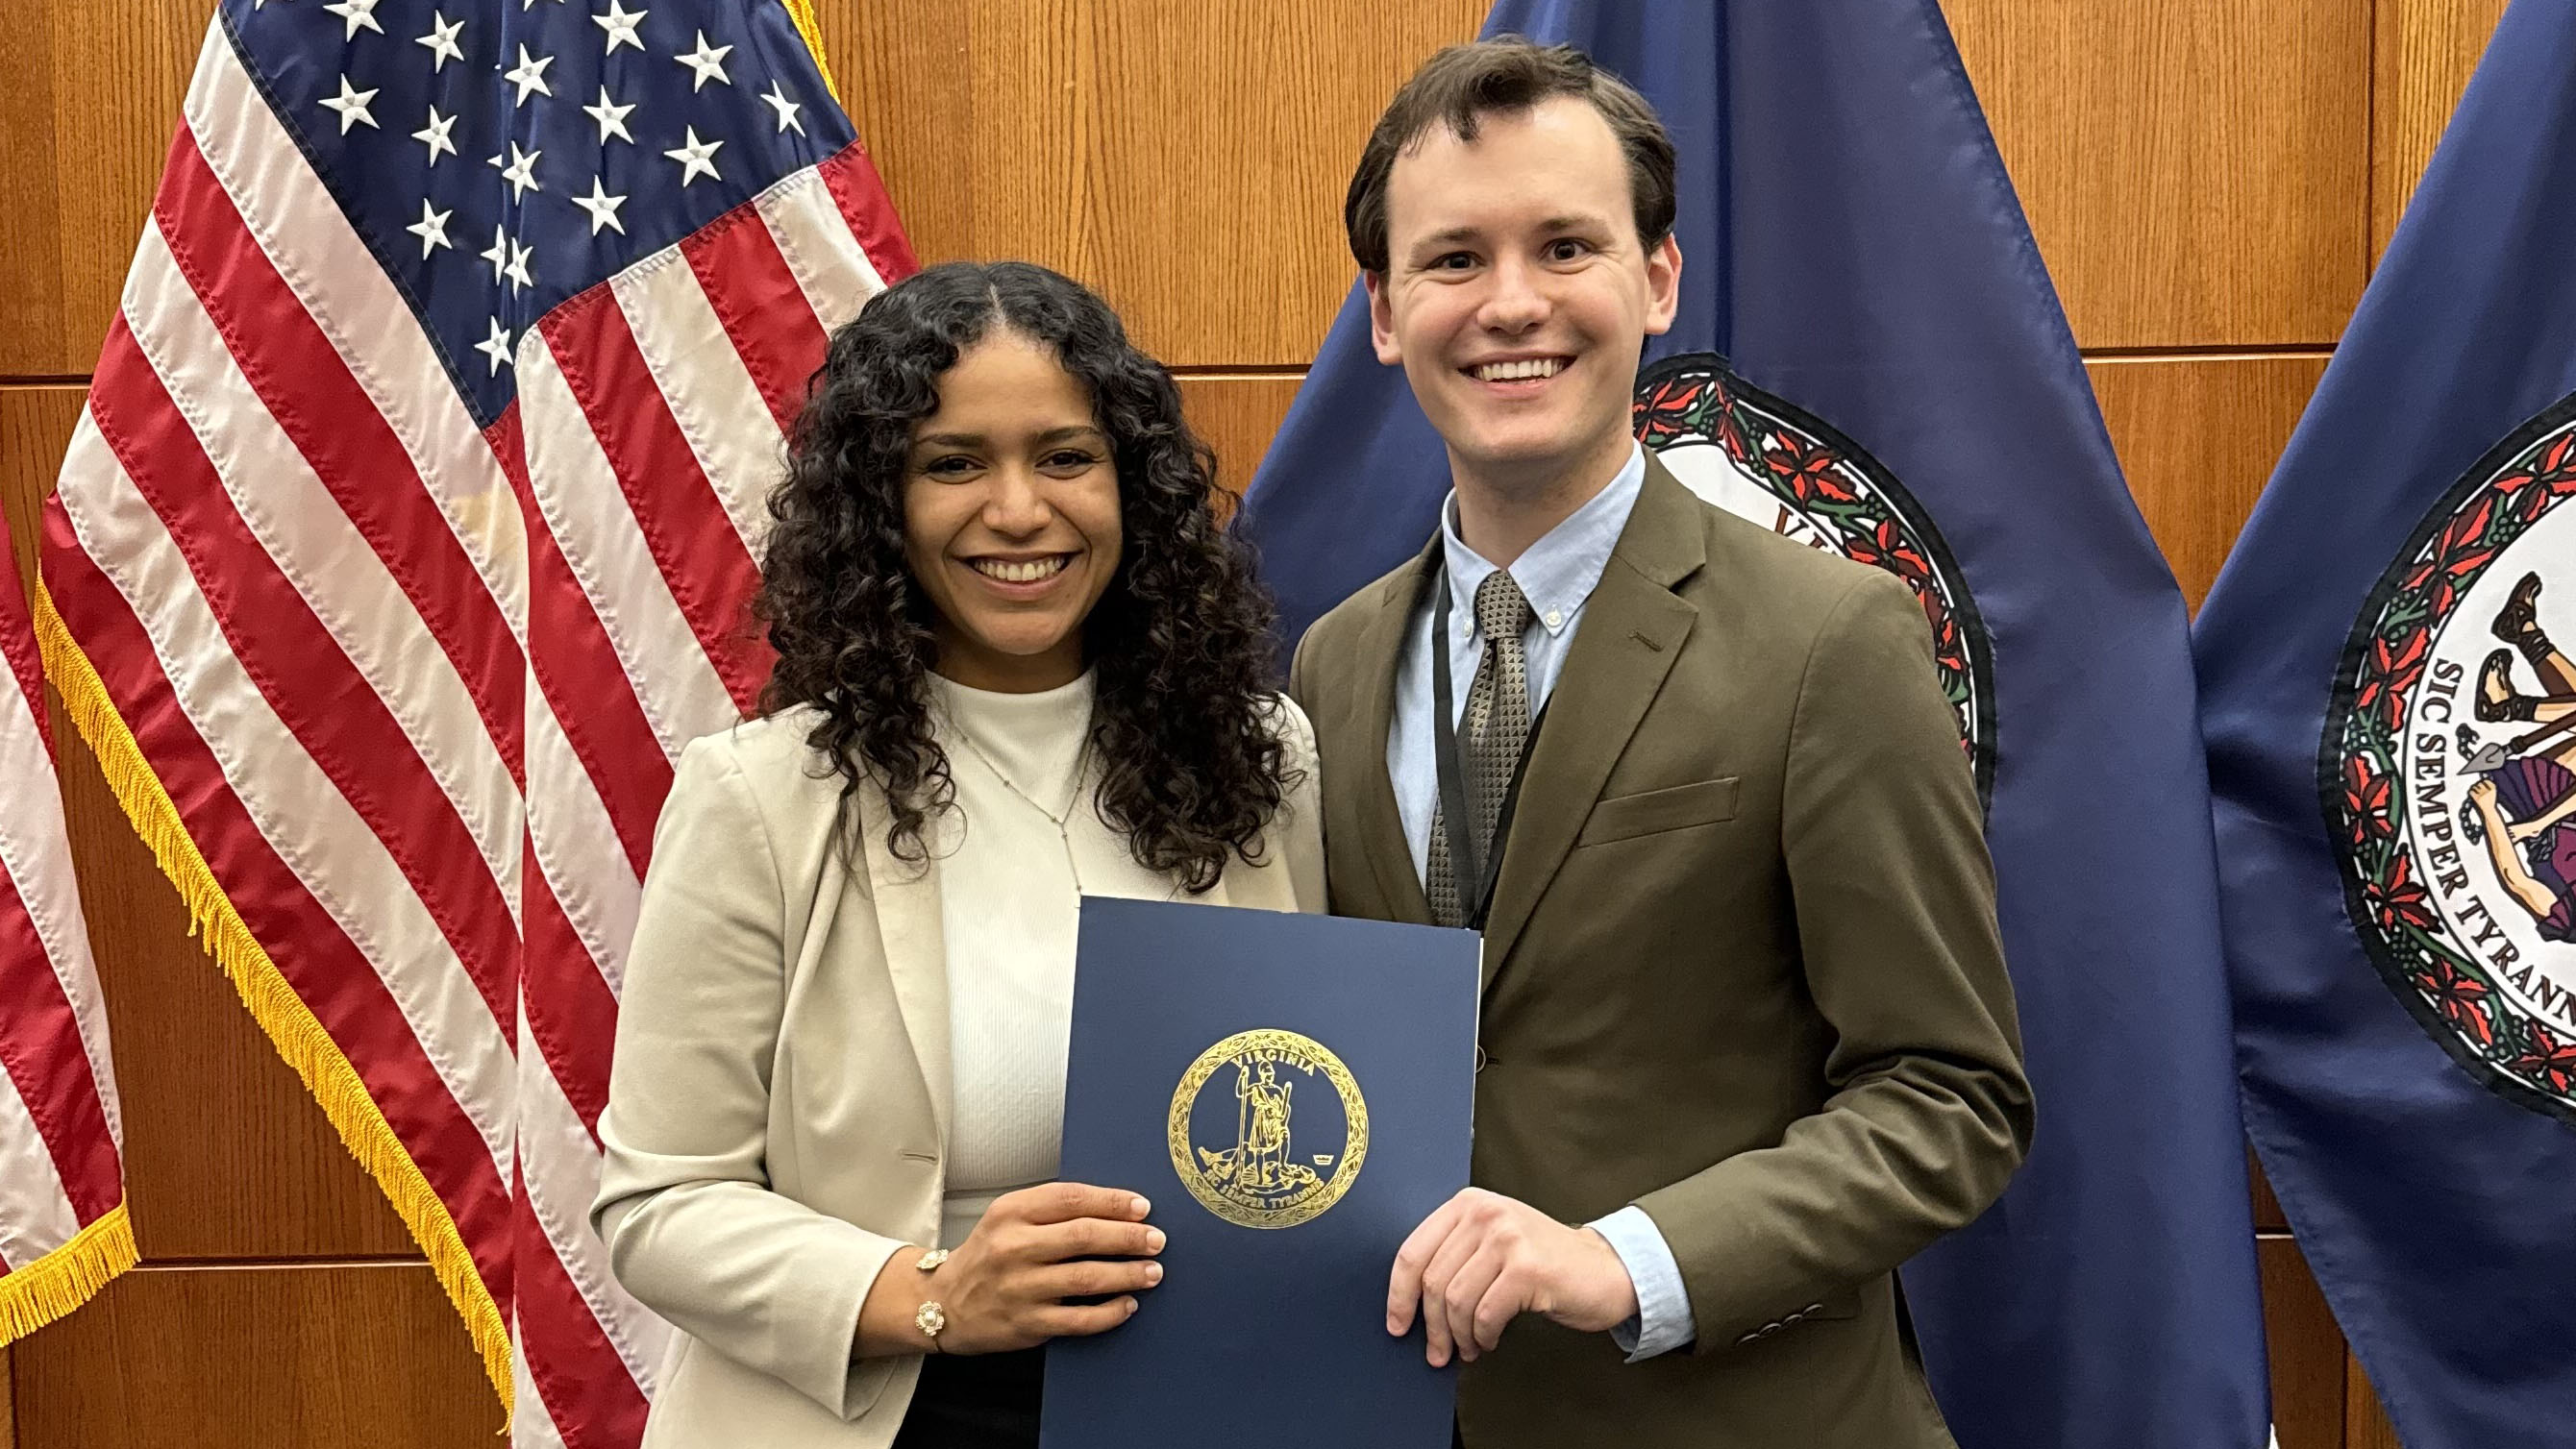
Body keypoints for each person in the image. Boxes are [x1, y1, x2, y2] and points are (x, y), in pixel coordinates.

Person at [1285, 39, 2034, 1446]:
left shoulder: (1837, 642)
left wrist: (1621, 1259)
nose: (1512, 303)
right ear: (1384, 314)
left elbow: (1952, 1097)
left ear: (1657, 279)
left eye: (1566, 244)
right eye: (1453, 260)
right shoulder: (1334, 662)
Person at [591, 260, 1324, 1449]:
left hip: (1204, 1396)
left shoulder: (1263, 760)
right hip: (883, 1404)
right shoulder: (763, 798)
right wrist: (927, 1291)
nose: (1020, 509)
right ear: (882, 503)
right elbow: (657, 1202)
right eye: (954, 463)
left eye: (1065, 456)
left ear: (1133, 487)